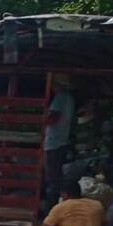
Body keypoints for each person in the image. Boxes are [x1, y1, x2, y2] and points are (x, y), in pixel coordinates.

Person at [44, 75, 75, 207]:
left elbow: (53, 118)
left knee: (53, 179)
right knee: (56, 177)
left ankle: (51, 209)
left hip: (54, 143)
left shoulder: (60, 97)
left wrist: (42, 121)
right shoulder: (69, 99)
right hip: (61, 141)